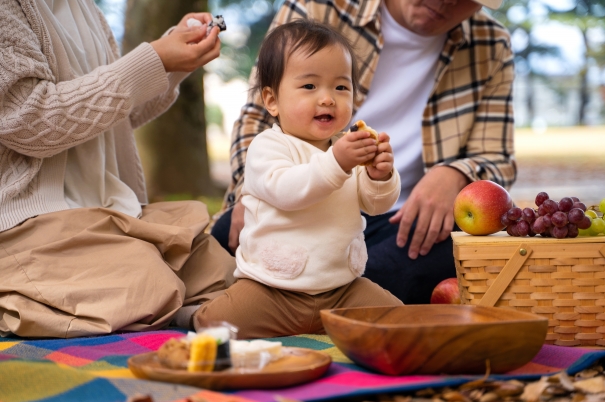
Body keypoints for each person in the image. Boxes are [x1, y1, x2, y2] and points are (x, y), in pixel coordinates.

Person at [212, 0, 516, 304]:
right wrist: (251, 189)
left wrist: (454, 175)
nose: (446, 1)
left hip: (402, 221)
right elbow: (257, 117)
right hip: (296, 204)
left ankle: (307, 296)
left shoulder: (492, 43)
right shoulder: (321, 6)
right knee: (232, 231)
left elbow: (497, 158)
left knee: (455, 247)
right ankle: (328, 297)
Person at [0, 0, 236, 338]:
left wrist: (172, 60)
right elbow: (29, 121)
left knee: (220, 271)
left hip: (105, 212)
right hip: (28, 222)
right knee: (149, 284)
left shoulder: (85, 8)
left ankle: (162, 306)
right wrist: (154, 59)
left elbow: (114, 116)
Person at [194, 20, 403, 339]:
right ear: (272, 100)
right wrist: (337, 163)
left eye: (341, 87)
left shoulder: (346, 148)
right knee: (218, 325)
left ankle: (330, 323)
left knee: (399, 318)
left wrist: (380, 175)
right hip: (274, 289)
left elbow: (376, 206)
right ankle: (192, 313)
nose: (328, 99)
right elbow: (288, 191)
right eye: (309, 86)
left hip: (342, 290)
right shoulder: (268, 146)